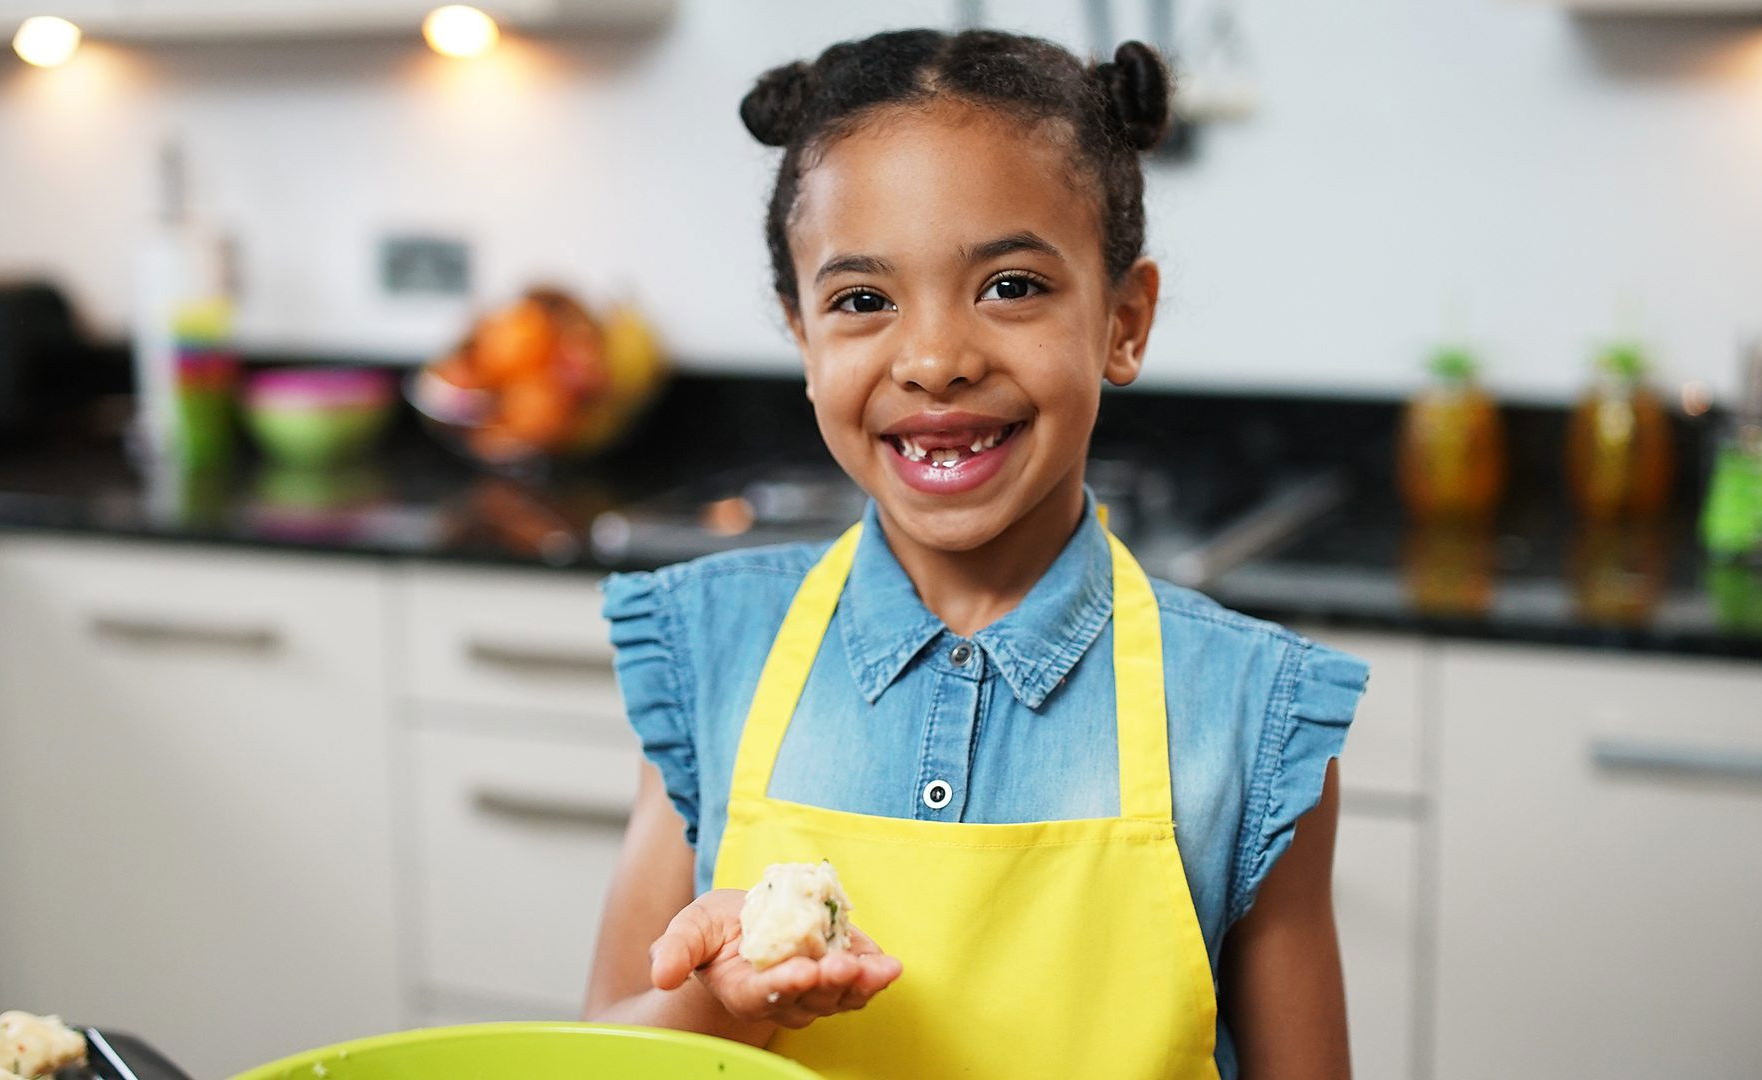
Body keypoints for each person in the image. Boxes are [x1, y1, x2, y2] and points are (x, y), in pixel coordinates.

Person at [586, 27, 1368, 1079]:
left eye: (1010, 286)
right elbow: (597, 1053)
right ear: (803, 338)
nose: (935, 360)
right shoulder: (713, 657)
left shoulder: (1250, 715)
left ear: (1124, 321)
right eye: (862, 301)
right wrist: (719, 1001)